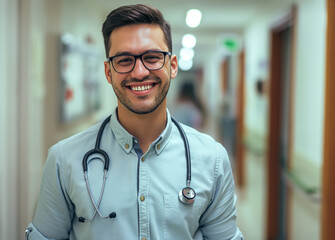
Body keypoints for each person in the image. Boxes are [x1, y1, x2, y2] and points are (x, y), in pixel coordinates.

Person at [26, 4, 244, 240]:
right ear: (108, 72)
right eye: (124, 60)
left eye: (152, 57)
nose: (139, 72)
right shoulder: (64, 160)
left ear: (172, 66)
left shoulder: (212, 160)